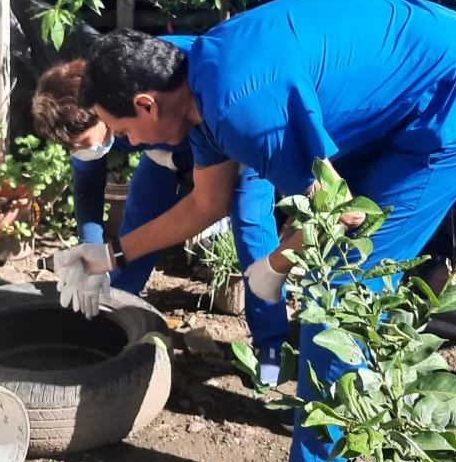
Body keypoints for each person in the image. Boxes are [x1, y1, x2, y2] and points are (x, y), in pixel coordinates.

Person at [50, 0, 456, 462]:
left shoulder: (239, 106)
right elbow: (206, 203)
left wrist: (272, 265)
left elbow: (339, 214)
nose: (126, 143)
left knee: (342, 285)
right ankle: (333, 405)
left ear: (145, 105)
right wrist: (107, 255)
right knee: (335, 280)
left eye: (122, 131)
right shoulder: (195, 83)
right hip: (430, 70)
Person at [30, 54, 288, 384]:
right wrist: (93, 251)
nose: (77, 152)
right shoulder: (97, 117)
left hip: (230, 148)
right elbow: (87, 186)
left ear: (100, 114)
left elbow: (209, 201)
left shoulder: (142, 94)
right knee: (136, 229)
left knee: (255, 242)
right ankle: (113, 323)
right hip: (166, 154)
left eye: (79, 143)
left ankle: (272, 355)